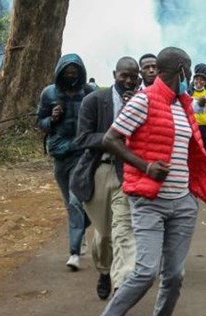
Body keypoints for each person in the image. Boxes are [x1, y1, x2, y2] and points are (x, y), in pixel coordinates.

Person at [81, 47, 206, 316]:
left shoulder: (183, 105)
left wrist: (193, 190)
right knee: (145, 272)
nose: (190, 77)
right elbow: (111, 139)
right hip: (149, 202)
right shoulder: (143, 100)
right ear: (181, 70)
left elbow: (190, 149)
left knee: (174, 275)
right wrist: (145, 166)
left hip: (182, 203)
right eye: (189, 70)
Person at [72, 57, 139, 300]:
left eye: (133, 77)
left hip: (129, 173)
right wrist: (113, 140)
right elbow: (82, 139)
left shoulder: (143, 103)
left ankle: (122, 284)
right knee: (105, 234)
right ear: (114, 74)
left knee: (124, 229)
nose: (129, 81)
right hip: (99, 170)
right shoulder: (94, 101)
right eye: (124, 76)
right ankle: (104, 271)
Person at [37, 53, 94, 271]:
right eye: (67, 72)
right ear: (60, 73)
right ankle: (82, 229)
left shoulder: (89, 93)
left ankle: (74, 252)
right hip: (60, 154)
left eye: (75, 72)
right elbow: (40, 122)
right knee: (71, 205)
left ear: (81, 73)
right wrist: (52, 118)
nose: (71, 76)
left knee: (75, 201)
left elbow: (100, 117)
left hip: (82, 153)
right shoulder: (49, 93)